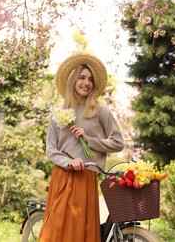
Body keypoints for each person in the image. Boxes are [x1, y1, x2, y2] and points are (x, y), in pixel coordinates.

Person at [39, 53, 124, 242]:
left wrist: (89, 139)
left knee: (80, 232)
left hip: (85, 177)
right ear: (72, 80)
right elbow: (51, 148)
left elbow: (118, 143)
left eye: (91, 79)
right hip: (62, 176)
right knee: (55, 231)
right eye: (82, 78)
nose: (87, 83)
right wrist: (68, 161)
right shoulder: (58, 113)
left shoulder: (100, 110)